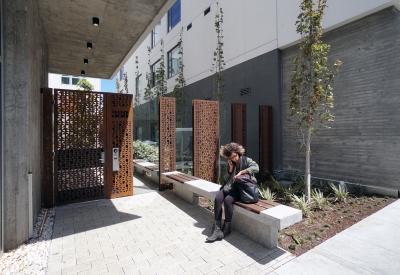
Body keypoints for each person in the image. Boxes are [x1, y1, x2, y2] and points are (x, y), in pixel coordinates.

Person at [206, 142, 259, 242]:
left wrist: (241, 172)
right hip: (229, 186)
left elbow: (256, 168)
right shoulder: (231, 163)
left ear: (238, 152)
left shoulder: (246, 160)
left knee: (227, 201)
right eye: (231, 157)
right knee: (218, 199)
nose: (234, 158)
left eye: (235, 156)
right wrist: (230, 168)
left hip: (241, 189)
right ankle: (217, 230)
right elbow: (226, 179)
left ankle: (227, 228)